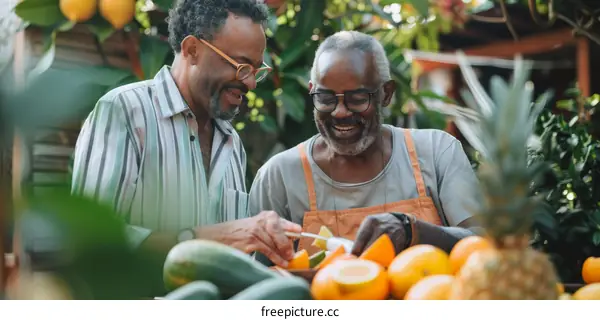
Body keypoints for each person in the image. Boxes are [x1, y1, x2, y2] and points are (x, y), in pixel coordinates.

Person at [70, 0, 301, 268]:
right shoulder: (125, 112)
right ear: (192, 50)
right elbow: (92, 243)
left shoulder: (231, 142)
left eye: (256, 71)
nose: (250, 83)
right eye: (241, 66)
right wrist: (218, 238)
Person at [248, 30, 485, 262]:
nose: (340, 112)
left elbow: (482, 243)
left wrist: (410, 230)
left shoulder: (436, 151)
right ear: (312, 91)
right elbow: (260, 281)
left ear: (386, 94)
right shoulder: (278, 177)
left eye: (358, 98)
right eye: (326, 98)